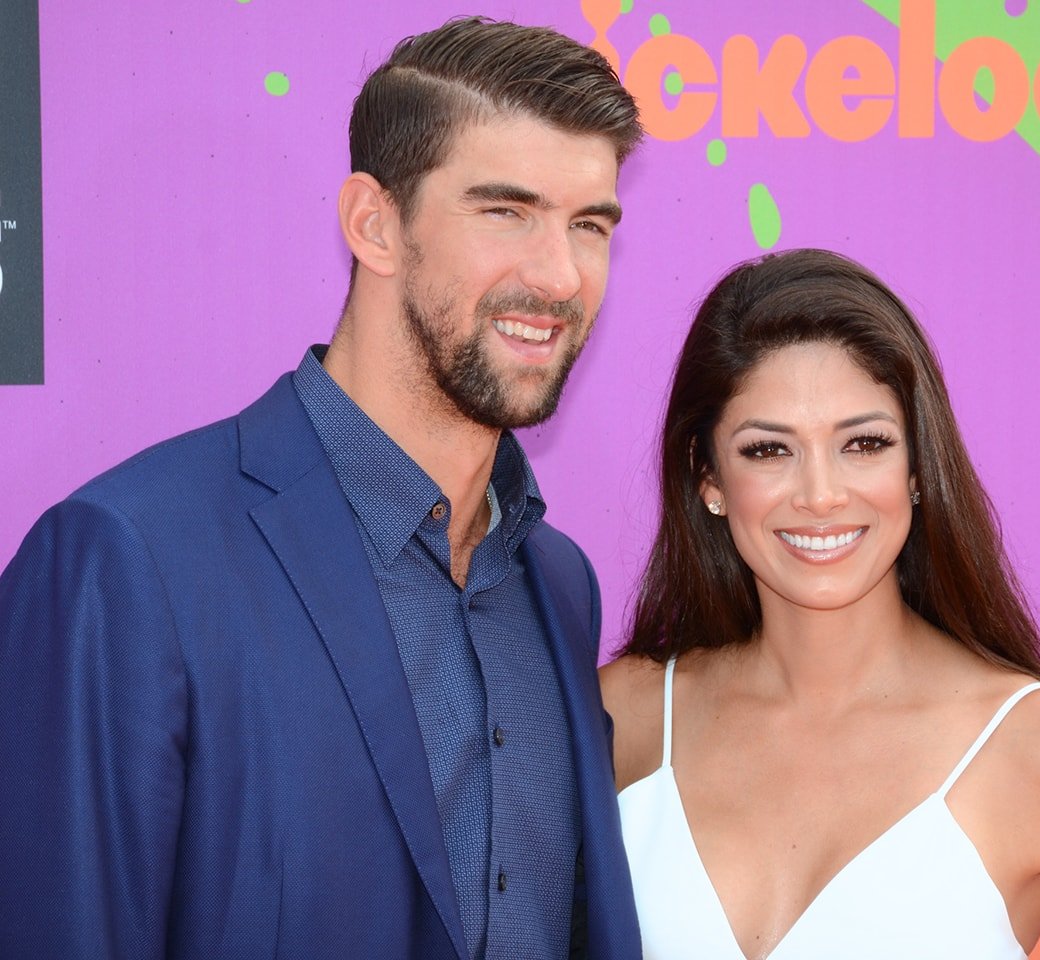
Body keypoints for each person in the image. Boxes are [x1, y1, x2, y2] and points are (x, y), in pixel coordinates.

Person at [0, 17, 643, 960]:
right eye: (506, 211)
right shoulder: (128, 560)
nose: (559, 274)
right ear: (373, 223)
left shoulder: (555, 581)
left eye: (589, 225)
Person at [601, 249, 1040, 959]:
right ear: (709, 478)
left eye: (864, 443)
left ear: (917, 467)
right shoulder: (628, 716)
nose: (821, 495)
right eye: (768, 451)